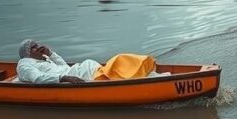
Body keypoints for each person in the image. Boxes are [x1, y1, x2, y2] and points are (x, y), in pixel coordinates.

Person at [16, 39, 163, 84]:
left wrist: (51, 54)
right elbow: (37, 79)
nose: (39, 47)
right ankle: (146, 76)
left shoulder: (45, 60)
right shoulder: (25, 64)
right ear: (27, 53)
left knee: (120, 63)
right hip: (80, 74)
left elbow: (64, 67)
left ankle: (145, 73)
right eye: (34, 47)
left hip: (81, 70)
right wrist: (64, 78)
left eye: (37, 44)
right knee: (120, 59)